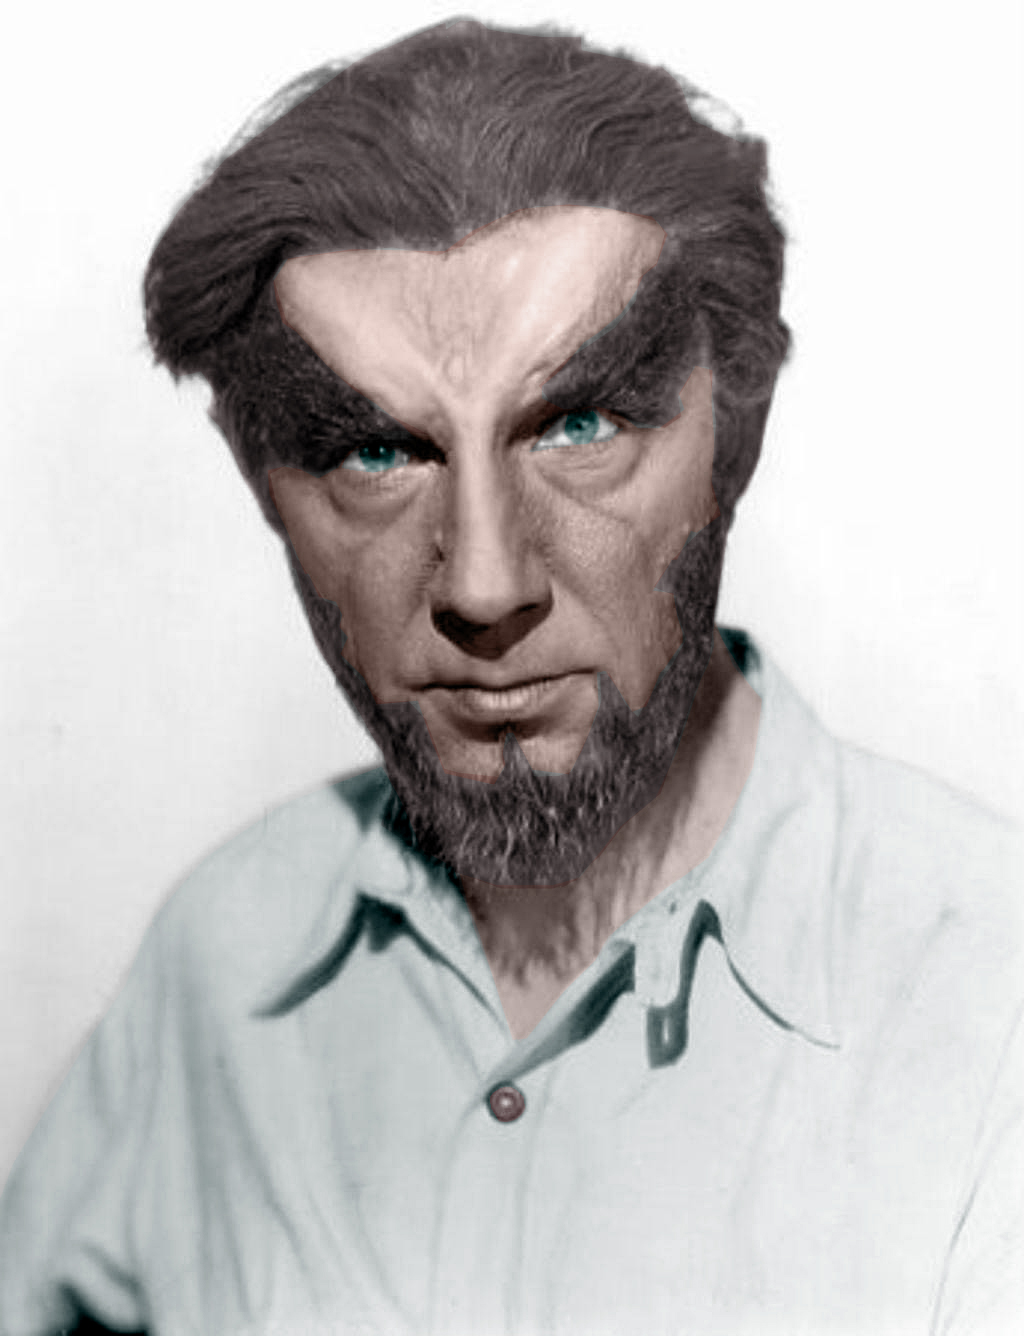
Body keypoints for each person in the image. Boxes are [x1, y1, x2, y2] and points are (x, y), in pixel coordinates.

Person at [1, 17, 1020, 1336]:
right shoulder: (223, 949)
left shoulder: (988, 991)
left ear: (737, 436)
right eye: (378, 453)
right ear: (263, 490)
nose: (484, 585)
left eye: (579, 426)